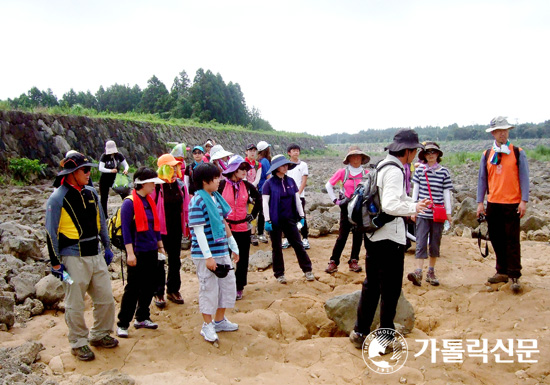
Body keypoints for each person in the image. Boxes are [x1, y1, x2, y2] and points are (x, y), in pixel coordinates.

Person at [350, 129, 430, 349]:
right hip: (390, 239)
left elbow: (395, 198)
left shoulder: (383, 165)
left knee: (372, 285)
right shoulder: (395, 171)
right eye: (414, 151)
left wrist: (411, 206)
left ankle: (360, 332)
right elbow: (391, 205)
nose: (415, 155)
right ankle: (385, 338)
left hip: (374, 235)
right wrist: (412, 207)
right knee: (391, 289)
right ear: (407, 151)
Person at [45, 152, 118, 361]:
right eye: (85, 170)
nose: (89, 173)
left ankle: (101, 334)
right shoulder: (57, 198)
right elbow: (51, 232)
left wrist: (107, 246)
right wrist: (56, 263)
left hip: (95, 255)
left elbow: (101, 221)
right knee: (75, 303)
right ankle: (78, 343)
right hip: (72, 258)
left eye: (89, 170)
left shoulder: (91, 193)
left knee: (105, 298)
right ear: (72, 173)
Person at [188, 163, 240, 344]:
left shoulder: (215, 198)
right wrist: (208, 257)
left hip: (221, 250)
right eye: (216, 177)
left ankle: (219, 320)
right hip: (205, 254)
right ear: (205, 181)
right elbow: (198, 232)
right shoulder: (197, 201)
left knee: (227, 285)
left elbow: (223, 222)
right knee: (208, 288)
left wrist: (233, 245)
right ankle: (207, 324)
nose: (219, 181)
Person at [476, 116, 529, 293]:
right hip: (493, 203)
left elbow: (524, 178)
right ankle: (502, 270)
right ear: (493, 133)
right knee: (497, 239)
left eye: (505, 130)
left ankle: (514, 274)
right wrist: (479, 203)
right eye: (499, 131)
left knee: (512, 239)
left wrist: (524, 201)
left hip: (512, 203)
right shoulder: (487, 155)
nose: (503, 134)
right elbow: (482, 180)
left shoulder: (517, 152)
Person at [116, 167, 166, 338]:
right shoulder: (129, 203)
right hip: (137, 251)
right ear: (143, 184)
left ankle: (142, 317)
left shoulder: (149, 201)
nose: (154, 186)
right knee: (133, 288)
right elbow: (126, 230)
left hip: (151, 249)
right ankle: (123, 323)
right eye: (152, 183)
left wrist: (160, 247)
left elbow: (155, 226)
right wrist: (130, 253)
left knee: (150, 285)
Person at [262, 155, 315, 284]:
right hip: (275, 220)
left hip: (290, 219)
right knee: (277, 247)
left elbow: (297, 200)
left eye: (286, 164)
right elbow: (265, 203)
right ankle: (279, 274)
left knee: (298, 244)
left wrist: (301, 216)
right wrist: (267, 220)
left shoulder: (291, 181)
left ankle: (307, 270)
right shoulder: (268, 184)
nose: (285, 167)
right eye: (282, 165)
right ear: (276, 168)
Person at [407, 142, 453, 287]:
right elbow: (415, 191)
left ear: (438, 154)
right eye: (428, 153)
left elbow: (446, 193)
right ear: (424, 156)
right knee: (420, 242)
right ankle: (419, 271)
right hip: (423, 212)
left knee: (435, 243)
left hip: (437, 214)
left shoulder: (444, 172)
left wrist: (449, 212)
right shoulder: (420, 171)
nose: (431, 155)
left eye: (433, 152)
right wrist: (413, 209)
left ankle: (431, 271)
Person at [218, 155, 261, 300]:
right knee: (224, 258)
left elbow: (259, 199)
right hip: (226, 228)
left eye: (246, 169)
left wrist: (252, 215)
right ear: (233, 169)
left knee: (242, 259)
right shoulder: (221, 185)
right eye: (241, 168)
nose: (245, 171)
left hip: (243, 227)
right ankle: (223, 286)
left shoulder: (248, 186)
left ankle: (239, 287)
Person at [324, 146, 370, 273]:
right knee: (342, 236)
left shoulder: (367, 174)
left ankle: (354, 261)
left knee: (358, 235)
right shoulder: (342, 173)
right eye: (353, 156)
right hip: (346, 207)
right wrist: (335, 201)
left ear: (362, 158)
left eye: (358, 156)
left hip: (361, 208)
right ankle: (333, 261)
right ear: (348, 158)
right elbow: (328, 185)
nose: (356, 159)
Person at [151, 154, 187, 307]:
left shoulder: (179, 185)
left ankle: (173, 289)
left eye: (175, 166)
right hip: (160, 229)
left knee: (175, 259)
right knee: (159, 260)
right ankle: (158, 292)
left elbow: (185, 206)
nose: (174, 169)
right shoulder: (156, 186)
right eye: (171, 166)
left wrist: (187, 225)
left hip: (175, 228)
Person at [284, 143, 310, 249]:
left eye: (297, 150)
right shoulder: (285, 165)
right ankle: (288, 238)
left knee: (301, 216)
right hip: (287, 196)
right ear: (289, 153)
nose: (296, 152)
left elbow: (304, 180)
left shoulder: (303, 165)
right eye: (294, 150)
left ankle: (305, 238)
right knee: (287, 218)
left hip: (300, 195)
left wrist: (298, 193)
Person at [98, 140, 129, 216]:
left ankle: (128, 210)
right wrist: (110, 170)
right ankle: (104, 215)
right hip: (105, 178)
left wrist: (126, 170)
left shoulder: (119, 155)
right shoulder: (104, 156)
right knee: (104, 198)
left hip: (116, 178)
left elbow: (126, 165)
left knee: (124, 193)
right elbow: (100, 168)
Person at [244, 143, 262, 246]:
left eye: (254, 151)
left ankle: (252, 233)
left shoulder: (258, 164)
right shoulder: (243, 163)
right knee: (245, 209)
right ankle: (245, 231)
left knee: (254, 210)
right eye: (250, 150)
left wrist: (252, 186)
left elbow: (258, 178)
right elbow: (243, 176)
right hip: (244, 188)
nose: (252, 152)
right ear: (246, 152)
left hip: (254, 189)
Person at [256, 140, 272, 244]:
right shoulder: (265, 161)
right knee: (264, 212)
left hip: (260, 189)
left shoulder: (259, 161)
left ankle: (260, 232)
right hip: (265, 190)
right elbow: (268, 176)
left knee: (261, 212)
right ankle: (262, 233)